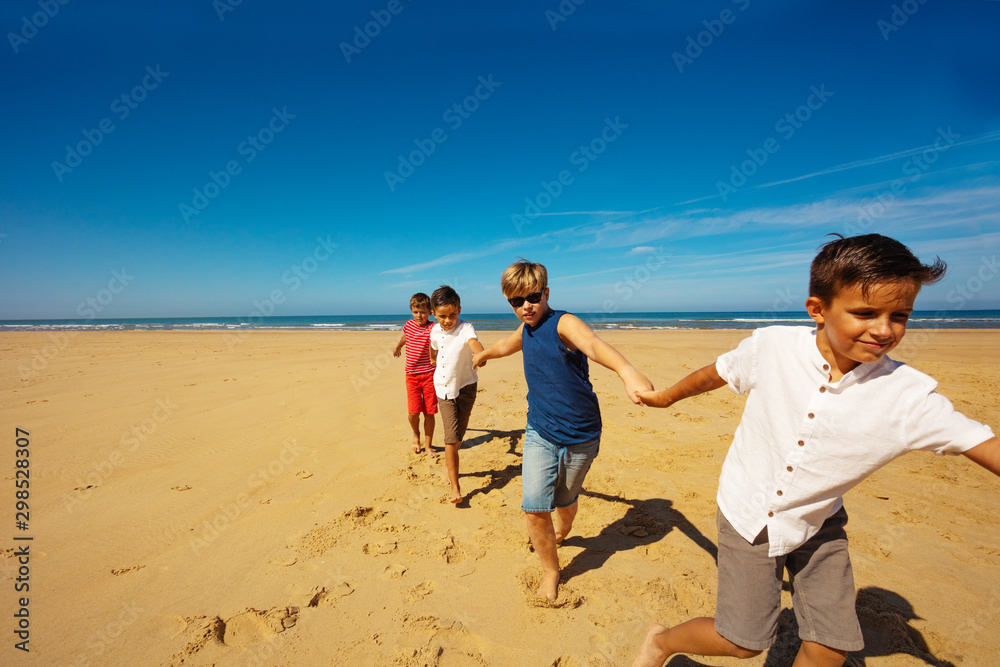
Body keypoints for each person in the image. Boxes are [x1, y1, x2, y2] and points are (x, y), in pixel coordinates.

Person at [631, 234, 1000, 667]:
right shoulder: (773, 346)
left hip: (817, 519)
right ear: (818, 309)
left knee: (830, 646)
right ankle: (662, 641)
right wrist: (666, 397)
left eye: (900, 316)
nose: (884, 330)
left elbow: (983, 443)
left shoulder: (908, 397)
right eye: (865, 313)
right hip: (747, 510)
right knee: (744, 641)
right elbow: (716, 373)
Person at [473, 259, 653, 601]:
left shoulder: (563, 323)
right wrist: (483, 357)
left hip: (582, 435)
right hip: (540, 430)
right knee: (535, 506)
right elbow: (504, 346)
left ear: (546, 293)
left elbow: (594, 344)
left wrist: (626, 371)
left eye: (533, 297)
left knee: (565, 500)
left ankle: (566, 525)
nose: (526, 306)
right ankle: (551, 571)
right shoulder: (525, 331)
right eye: (516, 301)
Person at [429, 285, 485, 504]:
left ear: (459, 310)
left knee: (459, 435)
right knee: (451, 440)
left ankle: (449, 463)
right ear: (434, 313)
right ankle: (455, 487)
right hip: (443, 389)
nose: (448, 320)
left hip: (466, 388)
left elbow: (473, 343)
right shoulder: (434, 330)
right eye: (442, 316)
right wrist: (433, 358)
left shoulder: (465, 328)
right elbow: (433, 347)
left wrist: (480, 354)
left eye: (452, 314)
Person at [393, 292, 437, 459]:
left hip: (429, 375)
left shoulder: (433, 328)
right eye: (416, 312)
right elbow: (406, 336)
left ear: (430, 311)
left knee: (429, 412)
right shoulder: (409, 325)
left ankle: (428, 445)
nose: (419, 315)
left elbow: (441, 342)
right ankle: (416, 436)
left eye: (423, 312)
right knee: (413, 412)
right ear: (412, 311)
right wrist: (398, 347)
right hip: (411, 375)